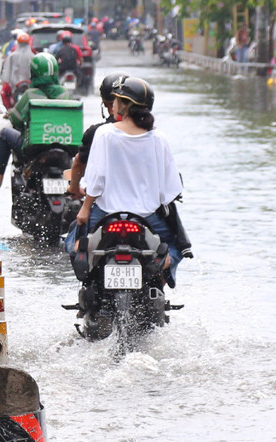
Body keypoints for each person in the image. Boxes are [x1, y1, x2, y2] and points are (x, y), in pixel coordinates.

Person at [70, 77, 188, 286]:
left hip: (105, 213)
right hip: (147, 216)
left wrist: (85, 209)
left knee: (73, 242)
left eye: (115, 99)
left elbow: (96, 180)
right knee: (178, 247)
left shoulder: (104, 134)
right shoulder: (158, 138)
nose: (112, 103)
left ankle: (89, 282)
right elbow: (168, 190)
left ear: (124, 105)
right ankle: (159, 268)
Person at [0, 52, 71, 193]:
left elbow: (16, 121)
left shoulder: (30, 94)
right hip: (63, 146)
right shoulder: (64, 93)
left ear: (33, 73)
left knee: (4, 134)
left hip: (34, 149)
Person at [67, 73, 126, 199]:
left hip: (104, 206)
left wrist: (74, 188)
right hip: (144, 210)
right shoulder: (152, 134)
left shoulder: (98, 132)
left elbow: (79, 163)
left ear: (105, 103)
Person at [0, 32, 33, 109]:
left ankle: (9, 111)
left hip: (16, 85)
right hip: (27, 86)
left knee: (4, 93)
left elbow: (6, 74)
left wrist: (5, 82)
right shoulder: (33, 56)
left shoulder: (12, 56)